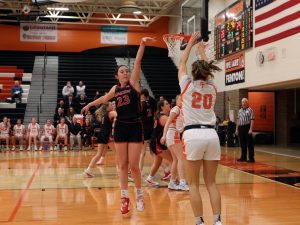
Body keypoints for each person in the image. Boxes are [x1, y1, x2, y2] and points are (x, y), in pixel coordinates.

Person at [81, 37, 155, 214]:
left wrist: (142, 44)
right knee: (122, 165)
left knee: (134, 166)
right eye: (122, 71)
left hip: (136, 127)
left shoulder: (134, 84)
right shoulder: (115, 89)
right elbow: (104, 99)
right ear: (117, 75)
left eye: (126, 71)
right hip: (121, 127)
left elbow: (137, 61)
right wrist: (91, 105)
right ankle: (124, 198)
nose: (126, 73)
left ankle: (138, 195)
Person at [178, 32, 222, 225]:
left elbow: (181, 62)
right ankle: (218, 221)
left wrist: (190, 44)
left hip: (193, 134)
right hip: (212, 135)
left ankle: (199, 222)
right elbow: (209, 69)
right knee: (211, 183)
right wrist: (202, 51)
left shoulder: (187, 85)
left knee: (193, 184)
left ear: (193, 74)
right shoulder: (212, 87)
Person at [161, 95, 189, 191]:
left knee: (175, 160)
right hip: (173, 134)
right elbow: (168, 122)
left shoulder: (183, 110)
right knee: (181, 158)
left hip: (173, 135)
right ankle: (182, 182)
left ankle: (172, 182)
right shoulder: (176, 109)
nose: (183, 100)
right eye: (181, 99)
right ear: (177, 100)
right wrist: (164, 135)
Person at [83, 102, 117, 177]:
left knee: (98, 154)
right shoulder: (111, 113)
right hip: (107, 135)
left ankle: (88, 170)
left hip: (101, 135)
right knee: (117, 153)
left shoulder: (104, 114)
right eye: (111, 105)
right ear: (108, 107)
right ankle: (121, 171)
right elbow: (117, 116)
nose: (112, 105)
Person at [146, 100, 173, 187]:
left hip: (155, 142)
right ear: (162, 107)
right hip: (157, 143)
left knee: (157, 162)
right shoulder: (163, 117)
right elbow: (174, 126)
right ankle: (174, 179)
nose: (169, 104)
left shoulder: (160, 116)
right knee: (173, 160)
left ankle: (150, 178)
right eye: (167, 103)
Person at [139, 89, 156, 172]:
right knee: (153, 151)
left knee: (142, 153)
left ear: (142, 95)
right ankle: (166, 170)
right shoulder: (151, 103)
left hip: (144, 128)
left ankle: (140, 171)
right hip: (151, 128)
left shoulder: (141, 105)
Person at [235, 98, 255, 162]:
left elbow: (252, 120)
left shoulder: (250, 110)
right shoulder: (240, 110)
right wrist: (237, 129)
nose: (243, 103)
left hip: (247, 127)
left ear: (247, 103)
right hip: (241, 127)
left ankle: (251, 158)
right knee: (242, 143)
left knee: (249, 143)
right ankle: (243, 157)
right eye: (242, 102)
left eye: (244, 102)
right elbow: (238, 120)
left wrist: (251, 129)